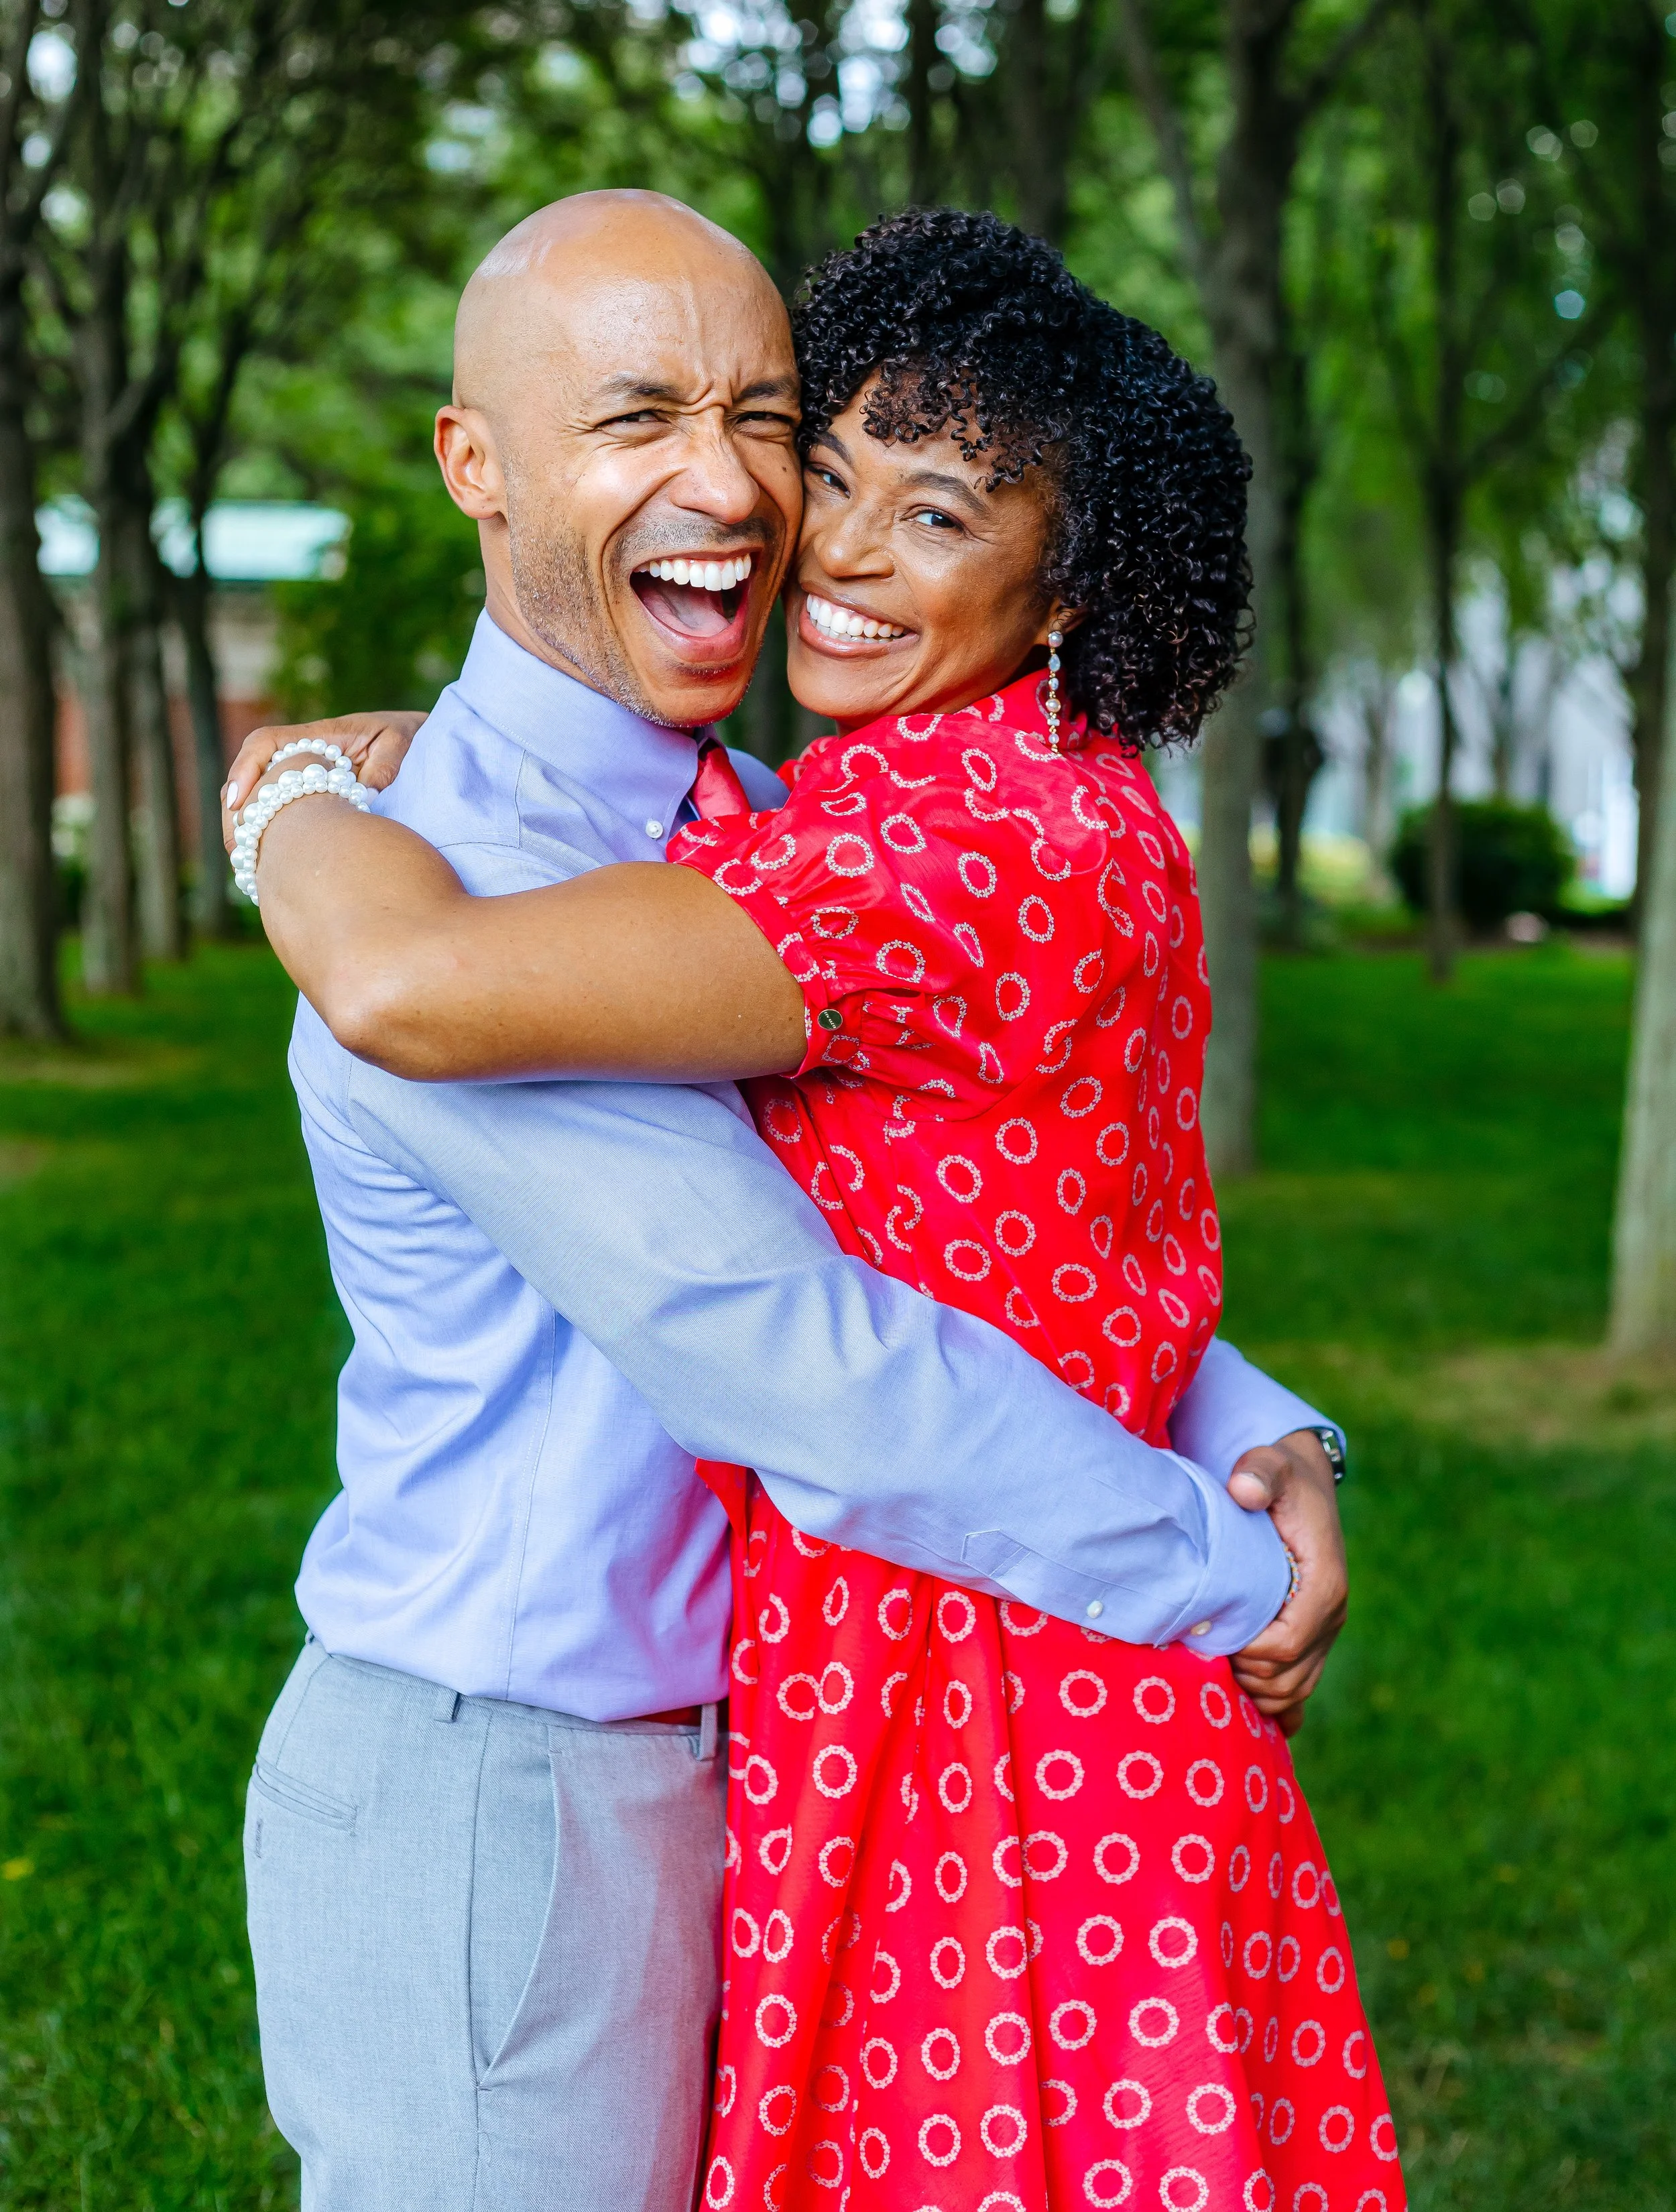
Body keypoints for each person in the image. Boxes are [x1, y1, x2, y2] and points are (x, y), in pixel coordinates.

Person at [229, 204, 1394, 2210]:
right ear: (474, 464)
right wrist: (1214, 1577)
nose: (745, 491)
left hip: (736, 1759)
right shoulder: (449, 883)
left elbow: (967, 1215)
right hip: (512, 1782)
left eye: (760, 414)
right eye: (632, 415)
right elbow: (805, 1354)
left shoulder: (760, 832)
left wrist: (1246, 1414)